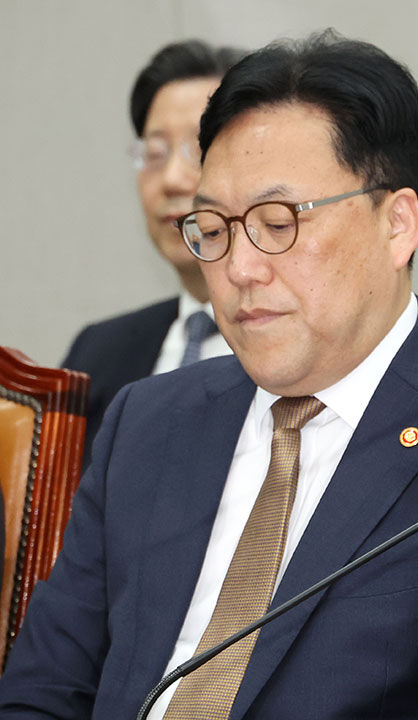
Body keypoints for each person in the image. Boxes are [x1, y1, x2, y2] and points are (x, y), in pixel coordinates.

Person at [0, 32, 418, 719]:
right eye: (214, 227)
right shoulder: (146, 421)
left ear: (398, 225)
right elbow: (42, 693)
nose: (240, 268)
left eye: (277, 223)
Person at [62, 40, 245, 465]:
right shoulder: (97, 353)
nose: (173, 179)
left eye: (199, 149)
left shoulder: (301, 346)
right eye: (156, 154)